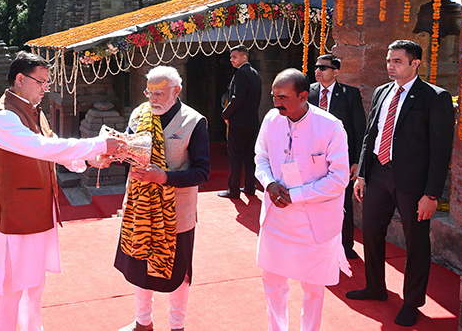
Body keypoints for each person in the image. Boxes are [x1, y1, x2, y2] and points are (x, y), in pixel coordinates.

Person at [0, 51, 123, 331]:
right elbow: (41, 148)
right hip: (14, 216)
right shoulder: (3, 117)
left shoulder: (33, 111)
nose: (45, 89)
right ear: (20, 80)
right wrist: (96, 145)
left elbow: (52, 146)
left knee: (34, 285)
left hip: (38, 210)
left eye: (47, 83)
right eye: (42, 82)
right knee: (9, 289)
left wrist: (87, 159)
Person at [346, 40, 455, 327]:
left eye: (397, 61)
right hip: (378, 175)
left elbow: (441, 150)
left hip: (414, 184)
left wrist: (432, 194)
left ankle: (412, 302)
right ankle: (375, 287)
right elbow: (371, 135)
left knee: (415, 242)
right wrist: (363, 175)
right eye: (388, 61)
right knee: (370, 232)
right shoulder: (382, 92)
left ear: (415, 63)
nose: (390, 66)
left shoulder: (435, 97)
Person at [115, 66, 211, 331]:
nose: (152, 99)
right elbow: (130, 153)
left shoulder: (193, 121)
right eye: (149, 92)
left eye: (159, 93)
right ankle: (143, 322)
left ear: (176, 91)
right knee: (140, 267)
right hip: (140, 208)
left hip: (176, 213)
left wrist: (165, 177)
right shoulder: (139, 115)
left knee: (178, 273)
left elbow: (203, 172)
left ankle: (177, 325)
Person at [255, 68, 350, 331]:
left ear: (304, 95)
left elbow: (339, 178)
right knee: (273, 283)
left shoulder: (330, 126)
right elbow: (260, 158)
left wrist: (296, 196)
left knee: (313, 289)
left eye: (283, 98)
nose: (276, 103)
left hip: (315, 222)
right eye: (274, 96)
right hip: (277, 216)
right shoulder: (271, 120)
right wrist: (270, 183)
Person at [307, 54, 366, 260]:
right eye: (316, 67)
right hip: (312, 159)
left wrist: (357, 161)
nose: (318, 71)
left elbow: (360, 130)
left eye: (323, 67)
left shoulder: (350, 94)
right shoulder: (309, 92)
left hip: (341, 159)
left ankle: (346, 245)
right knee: (313, 201)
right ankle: (315, 242)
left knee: (343, 203)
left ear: (336, 71)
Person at [219, 45, 262, 199]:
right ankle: (250, 187)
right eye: (231, 57)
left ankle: (233, 190)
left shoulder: (241, 73)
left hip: (238, 123)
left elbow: (237, 98)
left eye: (234, 57)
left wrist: (225, 114)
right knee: (249, 156)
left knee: (235, 156)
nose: (231, 60)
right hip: (252, 122)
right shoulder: (255, 73)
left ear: (244, 57)